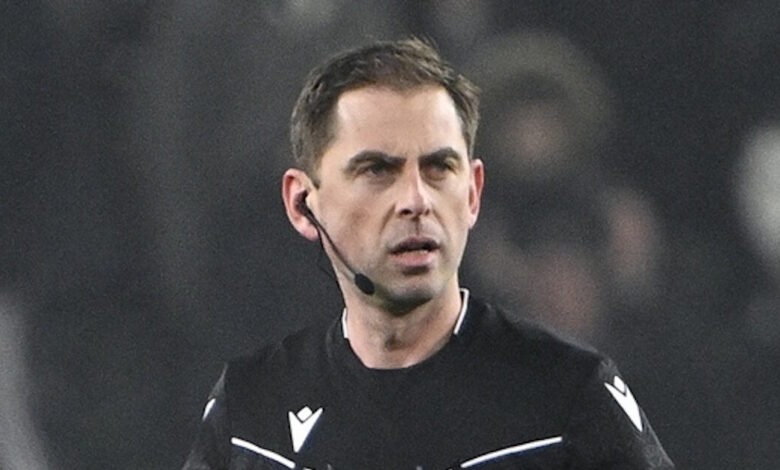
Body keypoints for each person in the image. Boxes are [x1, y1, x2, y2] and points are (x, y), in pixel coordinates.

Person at [182, 38, 673, 469]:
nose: (416, 201)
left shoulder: (570, 397)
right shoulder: (251, 410)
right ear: (303, 204)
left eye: (439, 168)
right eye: (377, 170)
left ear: (473, 193)